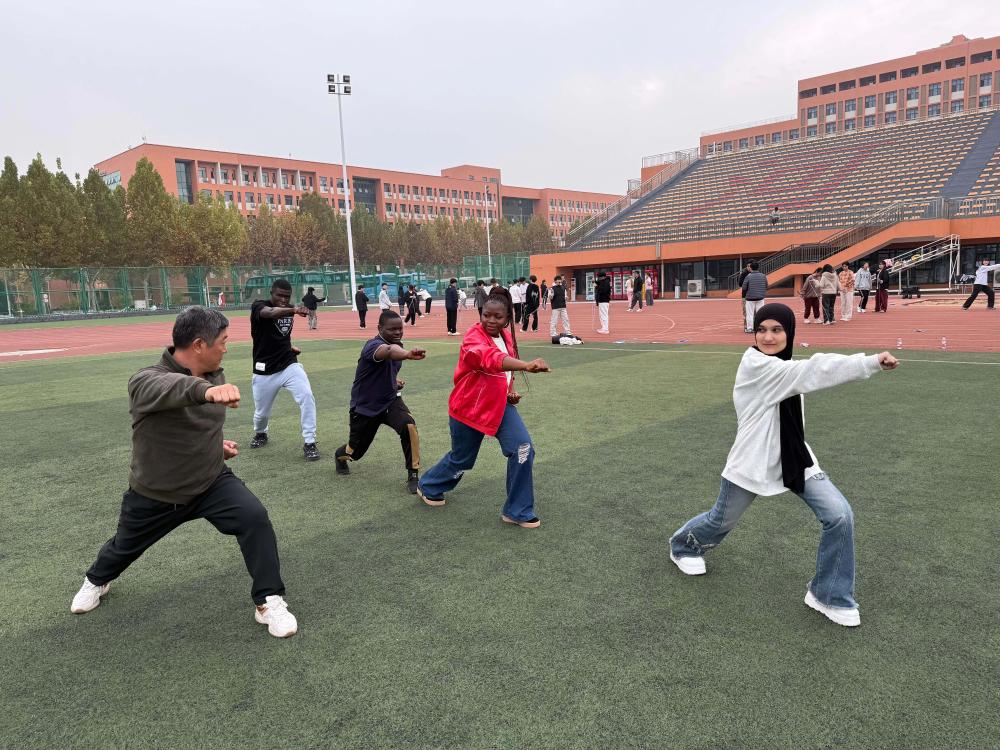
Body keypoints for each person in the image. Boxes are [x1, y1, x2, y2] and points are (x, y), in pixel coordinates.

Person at [70, 307, 297, 638]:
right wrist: (205, 391)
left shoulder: (215, 374)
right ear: (199, 344)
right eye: (223, 341)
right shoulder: (146, 380)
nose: (227, 348)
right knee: (123, 547)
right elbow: (174, 389)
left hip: (209, 481)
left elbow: (191, 427)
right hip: (156, 491)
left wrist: (216, 446)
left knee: (254, 517)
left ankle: (268, 600)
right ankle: (96, 580)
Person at [669, 302, 899, 628]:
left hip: (794, 457)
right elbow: (814, 370)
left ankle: (828, 594)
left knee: (839, 515)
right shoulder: (756, 365)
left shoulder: (784, 365)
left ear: (789, 332)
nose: (768, 337)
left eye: (777, 330)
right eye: (761, 330)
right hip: (752, 461)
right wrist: (870, 362)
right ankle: (683, 546)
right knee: (720, 521)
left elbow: (802, 376)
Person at [416, 289, 550, 528]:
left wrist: (509, 392)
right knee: (462, 460)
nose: (491, 320)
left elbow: (504, 372)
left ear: (507, 318)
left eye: (498, 317)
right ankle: (429, 485)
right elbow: (489, 358)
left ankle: (517, 510)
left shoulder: (507, 337)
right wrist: (526, 365)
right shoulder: (472, 337)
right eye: (486, 315)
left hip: (499, 406)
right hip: (469, 408)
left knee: (523, 448)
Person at [334, 311, 427, 494]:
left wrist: (393, 381)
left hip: (390, 401)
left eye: (400, 328)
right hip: (365, 407)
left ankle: (413, 475)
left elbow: (387, 365)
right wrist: (408, 354)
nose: (397, 332)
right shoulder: (373, 346)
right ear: (379, 329)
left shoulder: (398, 344)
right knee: (355, 452)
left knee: (408, 425)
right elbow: (389, 351)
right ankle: (340, 455)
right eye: (392, 329)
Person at [249, 279, 320, 461]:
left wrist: (289, 348)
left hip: (288, 364)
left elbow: (281, 335)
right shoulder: (259, 306)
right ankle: (261, 433)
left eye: (286, 296)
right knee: (261, 414)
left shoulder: (288, 309)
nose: (283, 299)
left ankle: (310, 442)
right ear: (271, 293)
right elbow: (270, 313)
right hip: (264, 370)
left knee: (306, 396)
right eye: (279, 295)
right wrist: (293, 310)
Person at [741, 262, 767, 333]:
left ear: (751, 268)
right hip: (760, 298)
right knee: (760, 314)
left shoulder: (748, 276)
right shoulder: (763, 276)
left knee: (750, 314)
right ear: (758, 267)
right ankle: (760, 328)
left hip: (750, 298)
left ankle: (750, 328)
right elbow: (766, 285)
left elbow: (744, 287)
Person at [737, 261, 753, 327]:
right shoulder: (744, 274)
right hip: (745, 295)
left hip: (753, 295)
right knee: (745, 311)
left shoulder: (755, 273)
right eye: (748, 266)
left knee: (754, 311)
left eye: (750, 266)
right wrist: (746, 283)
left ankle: (754, 325)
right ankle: (746, 325)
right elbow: (740, 284)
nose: (749, 267)